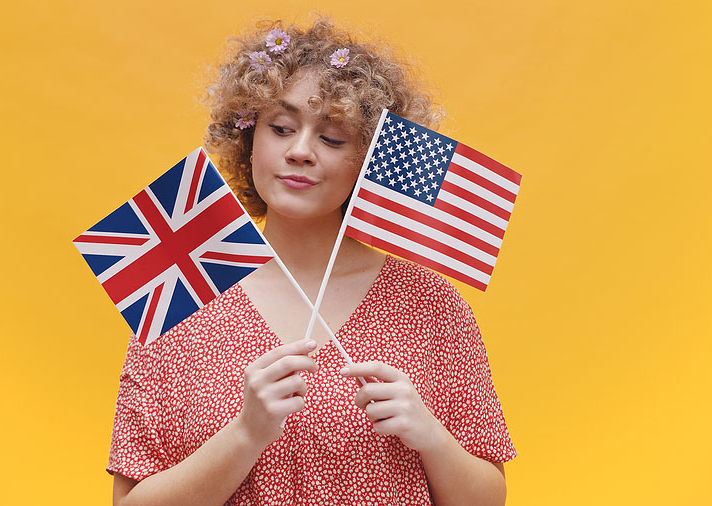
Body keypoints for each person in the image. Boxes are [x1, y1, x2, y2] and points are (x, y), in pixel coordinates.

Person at [108, 17, 516, 506]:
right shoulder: (182, 289)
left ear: (370, 160)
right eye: (280, 128)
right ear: (248, 139)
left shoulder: (430, 305)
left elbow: (489, 499)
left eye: (333, 138)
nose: (300, 151)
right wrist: (246, 433)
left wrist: (431, 437)